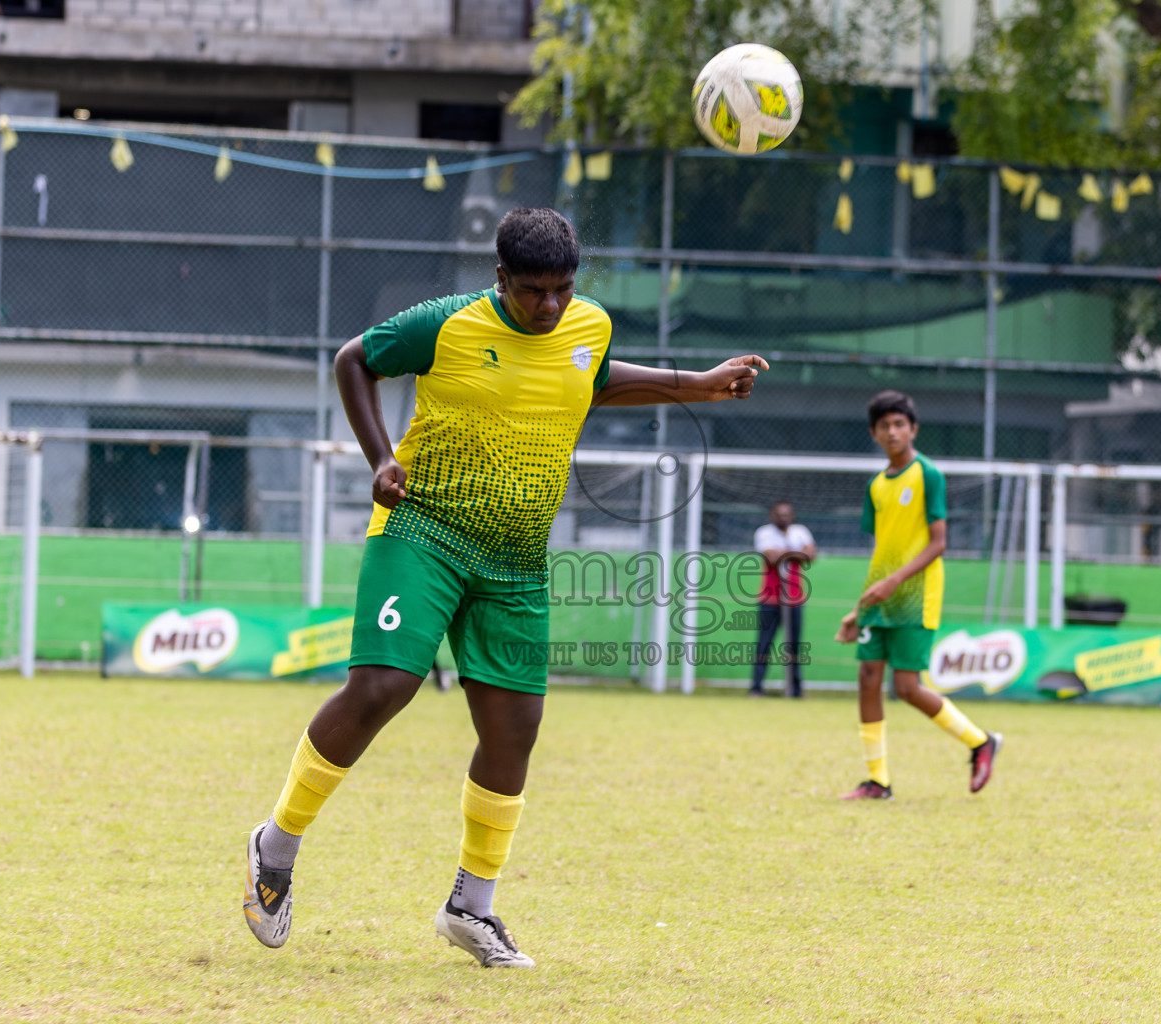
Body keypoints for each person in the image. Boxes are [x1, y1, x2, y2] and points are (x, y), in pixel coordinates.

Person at [241, 207, 769, 967]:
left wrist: (702, 384)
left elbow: (595, 378)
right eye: (532, 292)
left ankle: (470, 907)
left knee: (514, 727)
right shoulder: (446, 323)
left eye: (561, 289)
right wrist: (380, 458)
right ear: (500, 280)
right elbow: (355, 360)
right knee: (385, 685)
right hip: (424, 532)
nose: (549, 306)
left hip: (516, 559)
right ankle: (276, 845)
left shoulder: (587, 326)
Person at [834, 390, 1001, 800]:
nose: (892, 432)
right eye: (884, 426)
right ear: (874, 433)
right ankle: (878, 781)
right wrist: (859, 608)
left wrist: (894, 583)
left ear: (913, 429)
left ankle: (981, 741)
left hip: (916, 594)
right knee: (868, 678)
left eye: (899, 424)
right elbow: (882, 550)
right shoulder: (876, 486)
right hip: (880, 597)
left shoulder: (929, 475)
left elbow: (938, 544)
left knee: (908, 687)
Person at [749, 501, 815, 697]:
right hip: (770, 599)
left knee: (794, 645)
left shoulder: (800, 532)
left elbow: (810, 555)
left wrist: (783, 553)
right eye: (779, 514)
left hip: (794, 599)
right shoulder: (764, 533)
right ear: (772, 515)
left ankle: (795, 689)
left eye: (787, 514)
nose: (783, 517)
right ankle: (756, 687)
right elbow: (770, 557)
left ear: (792, 516)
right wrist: (795, 553)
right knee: (764, 644)